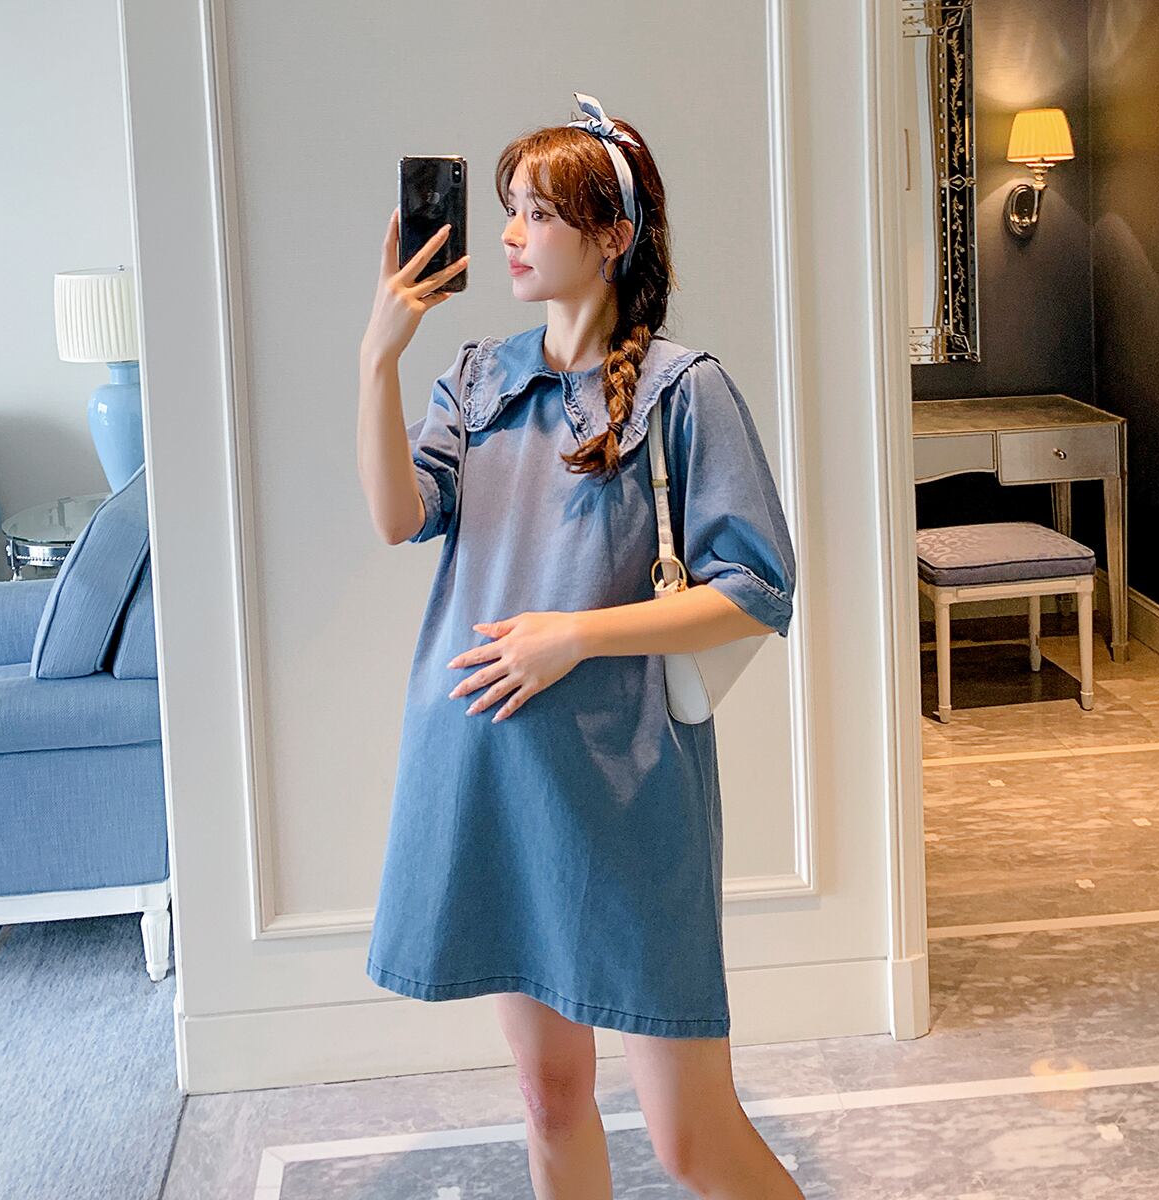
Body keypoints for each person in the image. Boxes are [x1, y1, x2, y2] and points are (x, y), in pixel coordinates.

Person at [356, 92, 801, 1200]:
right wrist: (377, 359)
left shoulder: (684, 390)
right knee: (549, 1099)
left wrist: (576, 635)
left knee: (692, 1138)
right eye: (508, 208)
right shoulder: (478, 376)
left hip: (627, 793)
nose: (511, 234)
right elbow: (399, 517)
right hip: (496, 783)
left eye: (540, 214)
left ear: (612, 236)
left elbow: (757, 589)